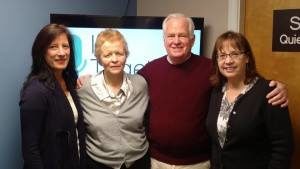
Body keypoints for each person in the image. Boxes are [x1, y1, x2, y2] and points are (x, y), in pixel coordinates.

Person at [138, 13, 289, 169]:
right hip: (156, 161)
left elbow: (244, 82)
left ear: (192, 39)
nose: (176, 41)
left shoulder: (211, 70)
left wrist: (278, 86)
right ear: (164, 39)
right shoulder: (148, 72)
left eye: (182, 35)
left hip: (199, 163)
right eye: (171, 36)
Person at [206, 31, 293, 169]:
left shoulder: (269, 92)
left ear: (247, 58)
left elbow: (282, 146)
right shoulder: (216, 92)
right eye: (222, 55)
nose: (228, 61)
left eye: (235, 54)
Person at [77, 29, 150, 169]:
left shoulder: (140, 84)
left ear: (126, 55)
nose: (114, 59)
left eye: (119, 53)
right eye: (108, 55)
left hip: (139, 161)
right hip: (98, 164)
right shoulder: (84, 89)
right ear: (99, 58)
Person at [19, 24, 86, 169]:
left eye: (65, 46)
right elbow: (30, 151)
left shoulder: (69, 81)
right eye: (54, 47)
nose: (62, 53)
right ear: (42, 51)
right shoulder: (35, 91)